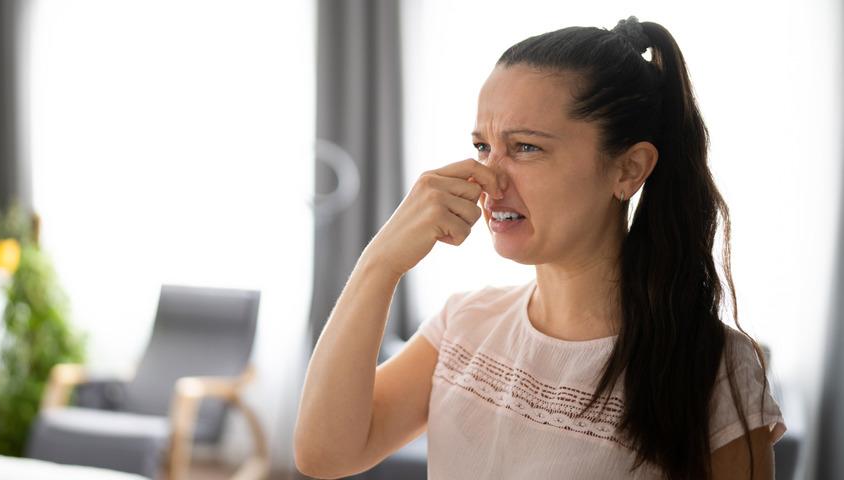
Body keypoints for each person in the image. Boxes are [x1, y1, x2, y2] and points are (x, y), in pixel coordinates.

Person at [294, 15, 786, 480]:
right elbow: (323, 453)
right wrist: (381, 261)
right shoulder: (465, 325)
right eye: (483, 146)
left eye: (526, 147)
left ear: (629, 169)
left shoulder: (716, 368)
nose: (488, 178)